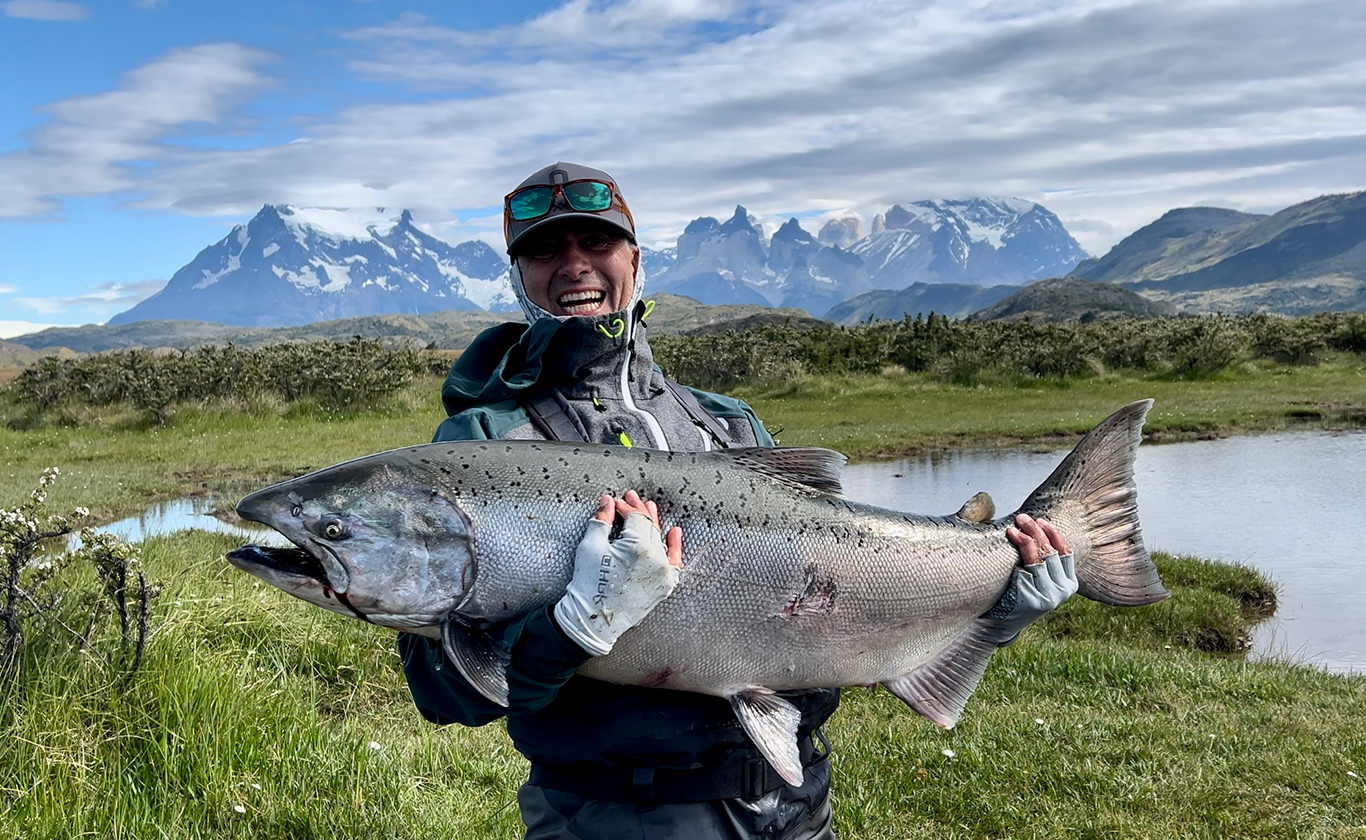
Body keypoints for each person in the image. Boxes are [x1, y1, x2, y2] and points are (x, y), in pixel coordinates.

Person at [397, 162, 1079, 839]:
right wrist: (572, 629)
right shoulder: (482, 444)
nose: (574, 265)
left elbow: (829, 599)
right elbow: (443, 692)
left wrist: (996, 608)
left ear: (634, 259)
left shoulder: (729, 424)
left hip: (798, 804)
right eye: (545, 250)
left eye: (595, 241)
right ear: (519, 275)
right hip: (617, 817)